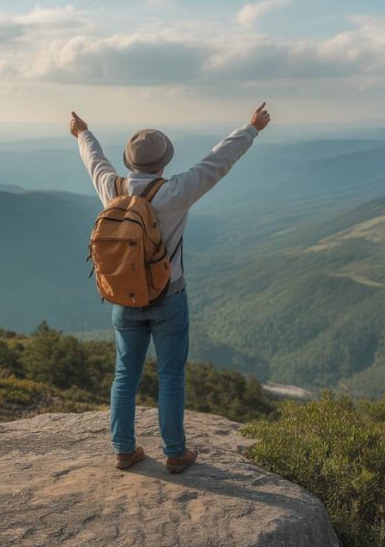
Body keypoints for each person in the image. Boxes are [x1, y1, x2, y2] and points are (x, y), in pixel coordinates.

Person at [70, 103, 271, 473]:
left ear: (129, 162)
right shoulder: (175, 191)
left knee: (124, 374)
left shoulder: (111, 188)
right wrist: (251, 128)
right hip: (168, 297)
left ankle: (124, 449)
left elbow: (94, 161)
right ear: (163, 163)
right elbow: (217, 162)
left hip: (123, 298)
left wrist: (82, 132)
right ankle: (175, 453)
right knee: (170, 376)